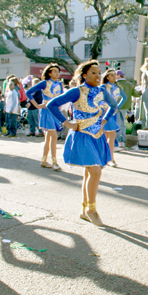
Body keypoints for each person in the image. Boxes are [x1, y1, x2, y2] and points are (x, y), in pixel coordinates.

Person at [47, 60, 117, 226]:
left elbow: (114, 105)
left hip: (97, 135)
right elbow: (52, 105)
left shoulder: (102, 91)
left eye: (100, 73)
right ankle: (92, 209)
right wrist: (67, 122)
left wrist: (105, 120)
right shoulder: (77, 91)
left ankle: (84, 209)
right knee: (95, 171)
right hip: (82, 135)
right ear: (84, 74)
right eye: (94, 72)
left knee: (90, 171)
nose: (98, 76)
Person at [26, 63, 63, 171]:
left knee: (48, 138)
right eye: (55, 71)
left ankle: (44, 160)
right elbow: (29, 92)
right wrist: (37, 105)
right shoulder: (44, 83)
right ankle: (55, 162)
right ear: (49, 72)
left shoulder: (60, 84)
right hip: (46, 111)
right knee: (54, 136)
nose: (57, 73)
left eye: (58, 71)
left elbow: (61, 98)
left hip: (55, 112)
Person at [102, 69, 127, 167]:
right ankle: (109, 157)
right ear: (107, 77)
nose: (114, 77)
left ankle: (109, 157)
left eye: (115, 75)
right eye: (111, 75)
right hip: (104, 113)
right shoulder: (103, 87)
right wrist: (102, 107)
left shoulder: (118, 87)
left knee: (110, 135)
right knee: (108, 135)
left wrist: (117, 107)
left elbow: (124, 98)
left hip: (112, 113)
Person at [115, 70, 140, 148]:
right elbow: (135, 94)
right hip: (127, 106)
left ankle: (119, 141)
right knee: (123, 124)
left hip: (117, 106)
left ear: (119, 75)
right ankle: (123, 140)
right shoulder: (130, 84)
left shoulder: (116, 84)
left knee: (118, 123)